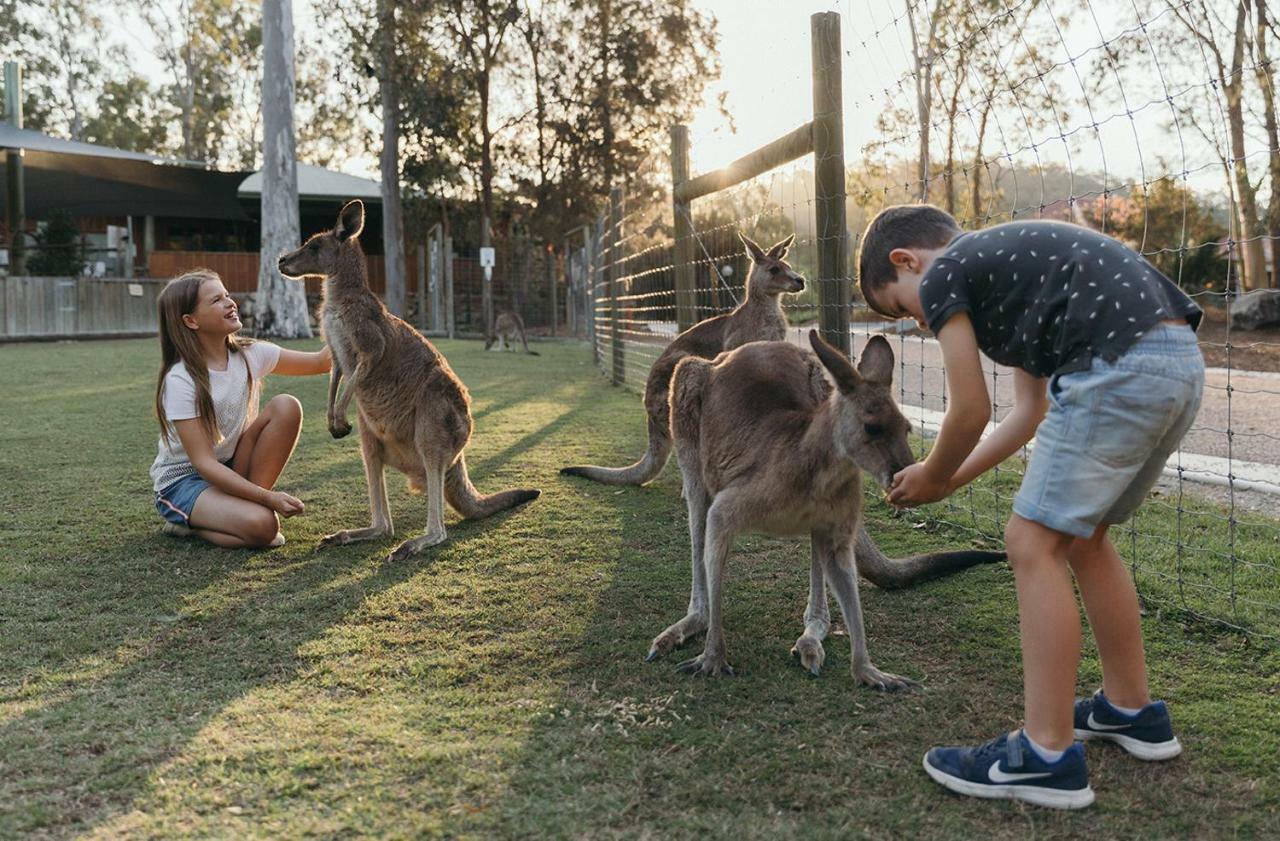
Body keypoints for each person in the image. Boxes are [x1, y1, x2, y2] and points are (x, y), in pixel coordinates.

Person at [859, 205, 1203, 809]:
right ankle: (1131, 709)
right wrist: (947, 481)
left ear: (906, 261)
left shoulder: (947, 274)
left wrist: (935, 473)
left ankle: (1046, 755)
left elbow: (969, 409)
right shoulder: (1011, 277)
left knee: (1030, 542)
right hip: (1174, 360)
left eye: (901, 307)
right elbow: (1028, 413)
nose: (917, 322)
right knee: (1084, 535)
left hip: (1117, 366)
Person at [151, 269, 330, 548]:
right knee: (264, 527)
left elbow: (322, 362)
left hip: (232, 466)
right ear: (191, 320)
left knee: (286, 406)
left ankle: (241, 510)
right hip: (185, 481)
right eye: (216, 300)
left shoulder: (251, 354)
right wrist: (267, 498)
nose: (230, 303)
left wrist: (351, 313)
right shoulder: (181, 379)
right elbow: (204, 463)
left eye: (227, 295)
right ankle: (188, 524)